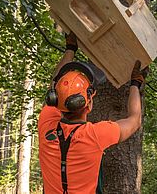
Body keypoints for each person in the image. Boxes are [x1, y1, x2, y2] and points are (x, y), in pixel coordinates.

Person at [38, 32, 147, 194]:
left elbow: (54, 85)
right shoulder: (95, 135)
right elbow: (134, 119)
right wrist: (135, 83)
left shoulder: (46, 124)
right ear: (88, 103)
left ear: (55, 100)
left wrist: (70, 49)